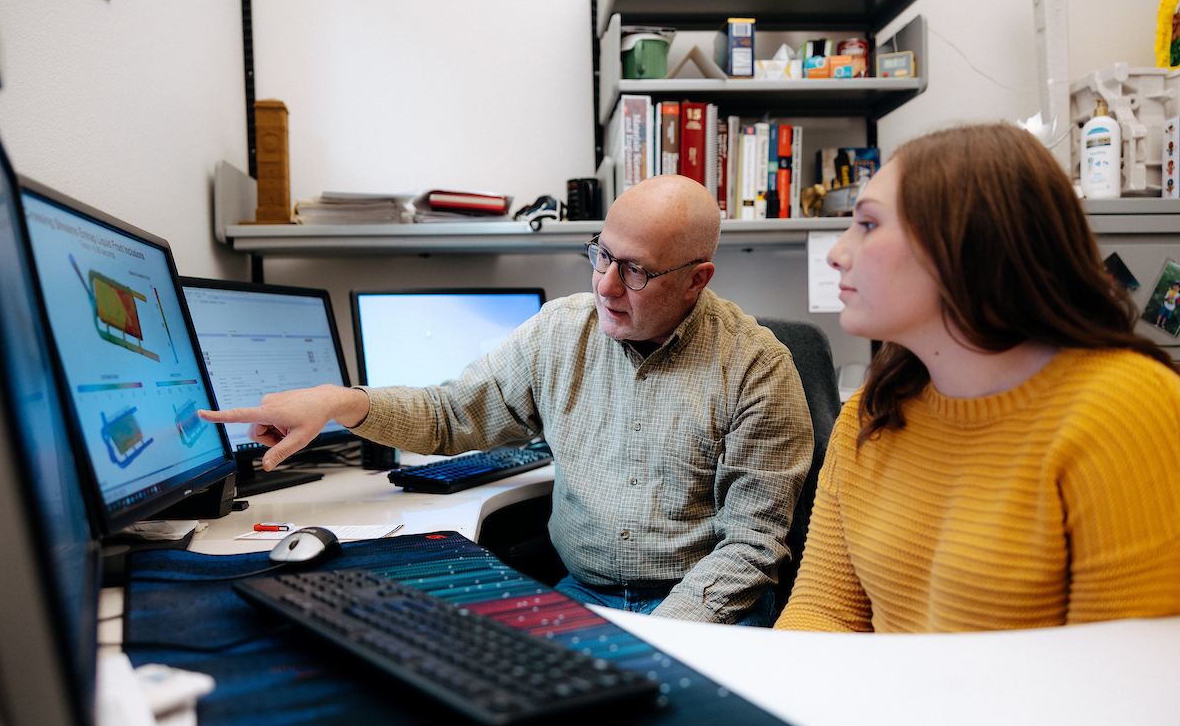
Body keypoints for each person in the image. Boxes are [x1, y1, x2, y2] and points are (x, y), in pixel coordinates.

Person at [201, 174, 814, 626]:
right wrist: (341, 403)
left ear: (696, 279)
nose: (603, 285)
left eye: (634, 271)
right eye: (600, 254)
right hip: (587, 594)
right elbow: (451, 415)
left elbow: (750, 549)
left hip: (710, 609)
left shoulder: (758, 368)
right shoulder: (558, 332)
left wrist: (656, 637)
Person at [775, 123, 1180, 633]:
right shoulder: (871, 412)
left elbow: (1117, 683)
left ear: (965, 244)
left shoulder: (1127, 407)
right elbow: (824, 611)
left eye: (869, 225)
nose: (837, 252)